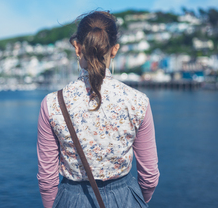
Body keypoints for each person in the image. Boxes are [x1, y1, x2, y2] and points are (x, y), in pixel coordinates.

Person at [37, 11, 159, 208]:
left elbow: (47, 179)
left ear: (77, 47)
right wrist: (136, 200)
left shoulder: (52, 104)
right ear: (114, 49)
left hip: (72, 199)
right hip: (126, 197)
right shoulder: (138, 101)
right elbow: (149, 176)